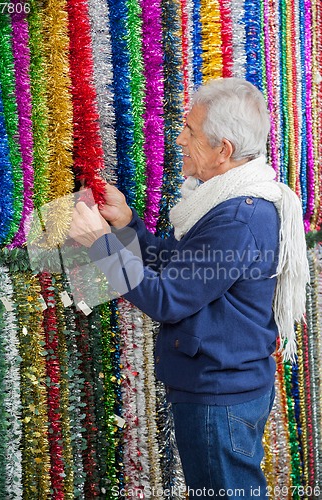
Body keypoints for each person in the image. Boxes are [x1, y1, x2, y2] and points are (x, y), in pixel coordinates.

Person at [69, 77, 309, 498]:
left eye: (191, 132)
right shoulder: (233, 201)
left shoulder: (237, 217)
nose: (179, 139)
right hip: (225, 388)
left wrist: (102, 247)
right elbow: (187, 270)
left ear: (224, 151)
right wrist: (128, 227)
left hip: (219, 397)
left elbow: (169, 299)